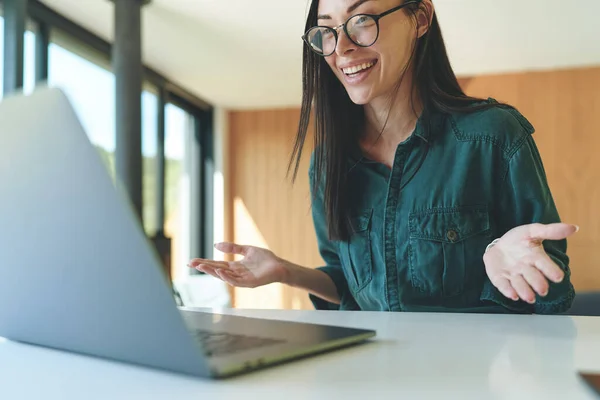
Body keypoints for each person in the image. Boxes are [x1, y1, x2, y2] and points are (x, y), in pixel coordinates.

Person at [189, 0, 578, 314]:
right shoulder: (329, 165)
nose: (341, 48)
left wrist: (502, 260)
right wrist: (287, 272)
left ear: (420, 18)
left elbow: (555, 292)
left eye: (361, 20)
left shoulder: (493, 135)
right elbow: (349, 283)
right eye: (327, 30)